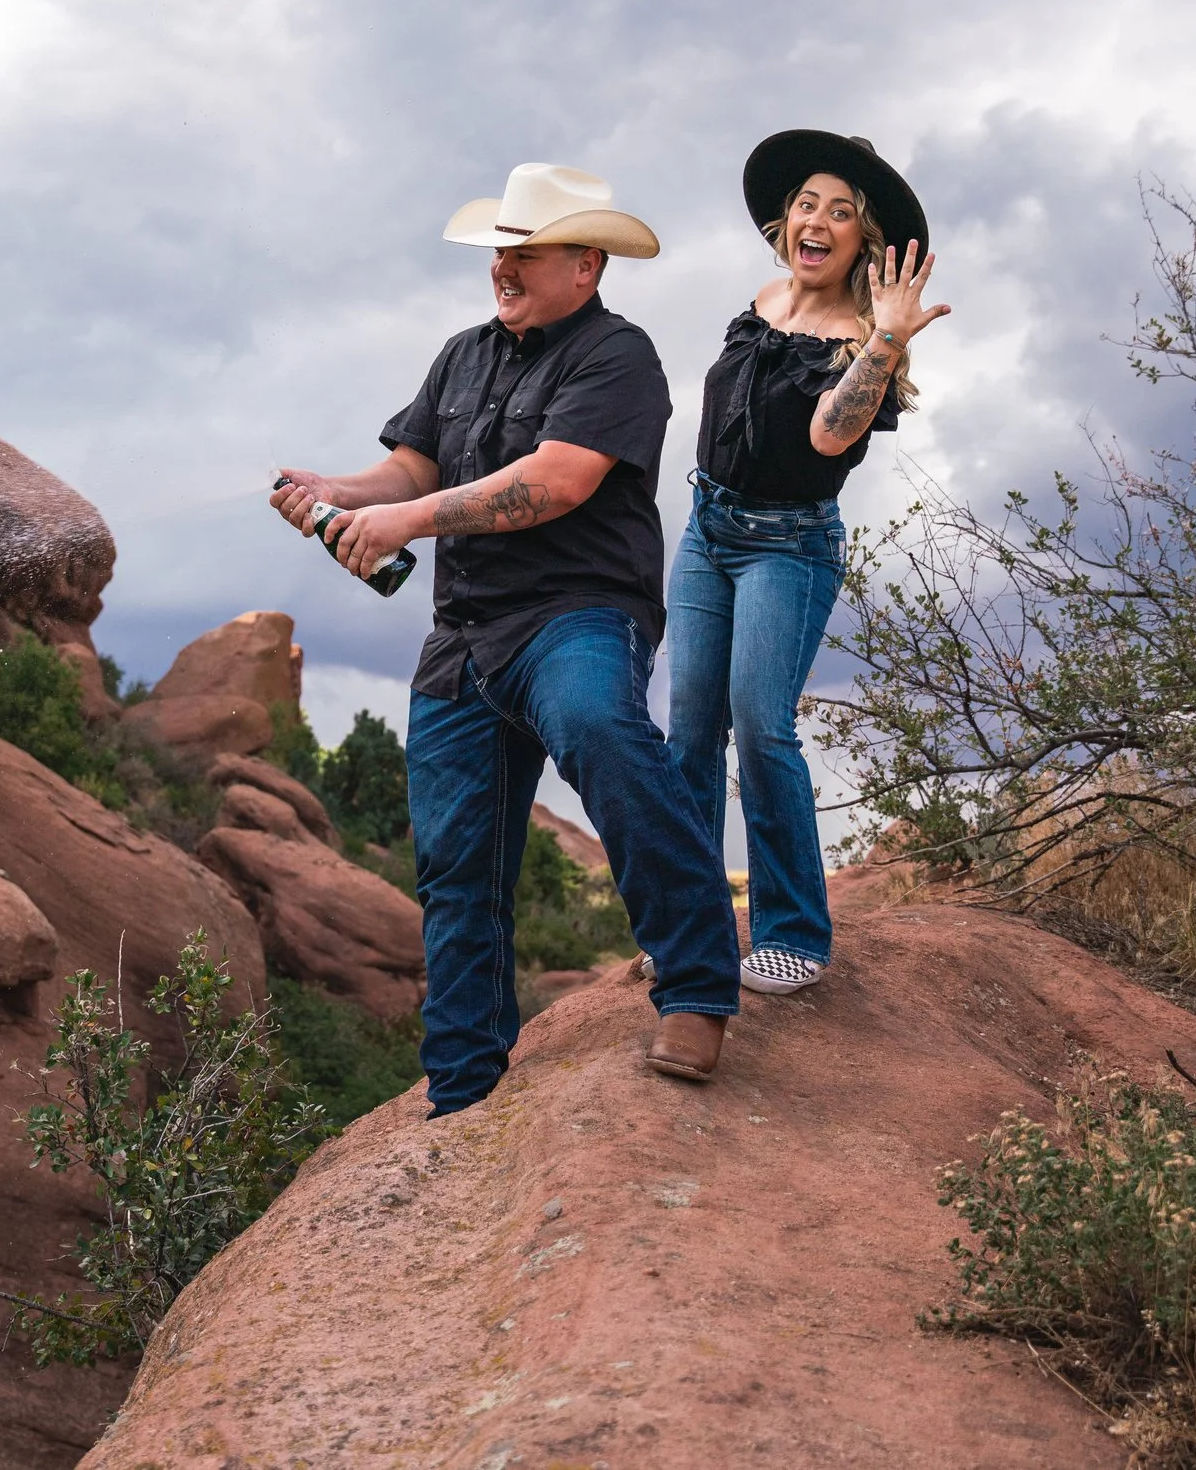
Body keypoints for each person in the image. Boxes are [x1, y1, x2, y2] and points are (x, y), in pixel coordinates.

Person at [273, 163, 741, 1115]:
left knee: (603, 736)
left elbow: (558, 481)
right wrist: (334, 493)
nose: (504, 268)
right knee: (452, 862)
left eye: (525, 253)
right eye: (500, 251)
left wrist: (408, 525)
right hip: (465, 639)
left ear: (588, 263)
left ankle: (695, 990)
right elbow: (409, 467)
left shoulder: (621, 356)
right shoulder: (462, 355)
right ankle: (461, 1084)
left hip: (575, 617)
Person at [665, 131, 948, 995]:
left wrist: (889, 338)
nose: (817, 221)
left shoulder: (863, 336)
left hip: (788, 546)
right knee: (688, 732)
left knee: (760, 725)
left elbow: (828, 435)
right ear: (784, 221)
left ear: (864, 240)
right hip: (706, 530)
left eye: (841, 213)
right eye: (805, 205)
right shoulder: (760, 300)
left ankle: (794, 933)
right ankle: (687, 921)